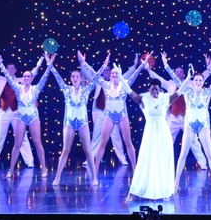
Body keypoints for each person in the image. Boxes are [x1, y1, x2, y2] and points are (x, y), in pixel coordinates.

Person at [173, 56, 211, 191]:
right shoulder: (187, 91)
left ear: (203, 82)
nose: (198, 82)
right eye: (196, 80)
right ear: (193, 81)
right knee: (183, 154)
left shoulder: (207, 92)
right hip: (189, 125)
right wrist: (166, 65)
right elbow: (176, 79)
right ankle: (176, 183)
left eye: (200, 80)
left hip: (203, 125)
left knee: (210, 155)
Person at [52, 51, 106, 186]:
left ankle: (94, 177)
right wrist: (50, 64)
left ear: (81, 78)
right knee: (65, 150)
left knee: (88, 150)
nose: (75, 78)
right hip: (70, 123)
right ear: (71, 78)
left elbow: (96, 78)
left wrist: (104, 66)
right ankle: (57, 177)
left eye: (77, 76)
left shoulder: (86, 89)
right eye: (73, 76)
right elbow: (57, 76)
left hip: (82, 123)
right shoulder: (66, 89)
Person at [149, 57, 208, 171]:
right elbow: (158, 78)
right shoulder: (170, 84)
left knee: (194, 141)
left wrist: (210, 68)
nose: (178, 73)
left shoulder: (190, 83)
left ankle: (203, 163)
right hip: (173, 117)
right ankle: (162, 163)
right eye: (176, 72)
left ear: (184, 74)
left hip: (187, 118)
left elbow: (202, 77)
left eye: (181, 72)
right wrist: (149, 70)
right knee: (167, 140)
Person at [125, 77, 180, 200]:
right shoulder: (143, 99)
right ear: (149, 89)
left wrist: (187, 80)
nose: (155, 91)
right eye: (153, 89)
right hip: (149, 133)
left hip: (163, 133)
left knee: (163, 161)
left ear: (159, 90)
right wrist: (121, 78)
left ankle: (165, 191)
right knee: (145, 160)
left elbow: (179, 92)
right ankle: (133, 191)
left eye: (157, 89)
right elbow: (129, 91)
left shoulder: (165, 99)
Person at [4, 53, 53, 178]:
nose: (26, 78)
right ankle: (11, 169)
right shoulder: (18, 88)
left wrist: (49, 64)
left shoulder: (36, 89)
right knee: (17, 145)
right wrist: (0, 64)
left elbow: (45, 76)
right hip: (21, 117)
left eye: (28, 76)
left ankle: (44, 168)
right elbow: (8, 77)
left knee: (38, 143)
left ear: (31, 78)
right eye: (25, 76)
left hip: (33, 118)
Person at [91, 56, 143, 174]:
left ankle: (135, 167)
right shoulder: (105, 85)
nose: (114, 74)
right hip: (109, 116)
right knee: (102, 143)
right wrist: (83, 63)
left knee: (128, 142)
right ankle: (96, 167)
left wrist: (141, 65)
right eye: (113, 73)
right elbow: (94, 74)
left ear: (119, 74)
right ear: (110, 75)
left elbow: (135, 74)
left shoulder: (124, 85)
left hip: (122, 116)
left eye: (116, 73)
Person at [0, 58, 34, 170]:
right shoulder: (1, 81)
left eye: (12, 68)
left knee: (22, 138)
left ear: (15, 70)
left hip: (16, 113)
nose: (10, 70)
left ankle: (29, 161)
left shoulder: (20, 81)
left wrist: (40, 63)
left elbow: (32, 74)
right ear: (5, 70)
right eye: (8, 68)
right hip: (3, 112)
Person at [87, 65, 129, 168]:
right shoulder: (100, 80)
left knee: (116, 136)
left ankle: (122, 158)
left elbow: (127, 75)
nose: (106, 72)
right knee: (96, 135)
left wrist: (134, 65)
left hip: (112, 112)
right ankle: (90, 158)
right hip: (100, 111)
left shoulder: (117, 82)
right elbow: (90, 74)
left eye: (108, 70)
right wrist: (82, 63)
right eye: (104, 70)